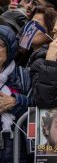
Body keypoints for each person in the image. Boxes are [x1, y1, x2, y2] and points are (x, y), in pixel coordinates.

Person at [0, 25, 32, 162]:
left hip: (13, 145)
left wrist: (16, 101)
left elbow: (36, 105)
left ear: (10, 49)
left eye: (0, 45)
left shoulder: (22, 75)